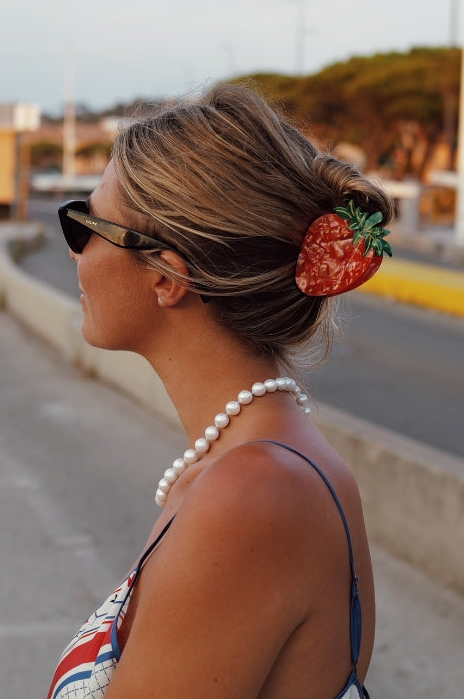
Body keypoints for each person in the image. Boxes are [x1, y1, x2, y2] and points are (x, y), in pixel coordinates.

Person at [49, 84, 394, 699]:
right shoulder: (260, 465)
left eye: (85, 224)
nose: (76, 253)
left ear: (168, 274)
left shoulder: (253, 491)